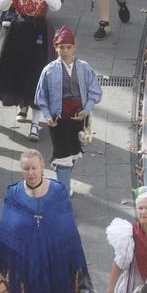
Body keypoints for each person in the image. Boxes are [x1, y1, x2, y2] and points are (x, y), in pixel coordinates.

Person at [0, 149, 91, 293]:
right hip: (23, 264)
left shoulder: (58, 192)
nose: (31, 173)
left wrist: (77, 265)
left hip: (55, 261)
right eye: (26, 169)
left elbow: (69, 230)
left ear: (42, 166)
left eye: (34, 168)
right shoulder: (13, 194)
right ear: (21, 170)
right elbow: (4, 231)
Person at [0, 0, 60, 140]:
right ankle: (22, 107)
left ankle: (36, 124)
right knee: (20, 70)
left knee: (37, 74)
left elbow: (56, 5)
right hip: (19, 30)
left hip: (39, 30)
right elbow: (3, 6)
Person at [33, 26, 100, 191]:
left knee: (73, 153)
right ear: (55, 48)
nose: (64, 51)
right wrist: (47, 116)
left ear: (74, 47)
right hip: (58, 121)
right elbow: (41, 97)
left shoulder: (85, 68)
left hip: (78, 120)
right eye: (61, 47)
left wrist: (86, 110)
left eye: (68, 47)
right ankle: (63, 188)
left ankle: (63, 173)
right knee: (63, 156)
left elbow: (95, 92)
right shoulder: (48, 71)